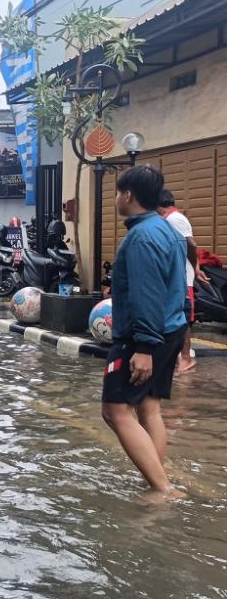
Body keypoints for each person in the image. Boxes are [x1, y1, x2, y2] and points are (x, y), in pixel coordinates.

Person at [101, 165, 188, 502]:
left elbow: (146, 294)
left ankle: (162, 489)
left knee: (115, 411)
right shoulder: (167, 231)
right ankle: (157, 476)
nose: (116, 199)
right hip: (171, 329)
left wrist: (145, 348)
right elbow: (177, 287)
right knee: (149, 408)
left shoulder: (141, 238)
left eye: (116, 193)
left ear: (128, 195)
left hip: (146, 337)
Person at [157, 189, 209, 373]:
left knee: (182, 319)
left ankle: (186, 359)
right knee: (173, 317)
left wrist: (195, 269)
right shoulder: (168, 220)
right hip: (175, 278)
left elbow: (191, 245)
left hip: (182, 280)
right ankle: (178, 357)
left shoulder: (174, 219)